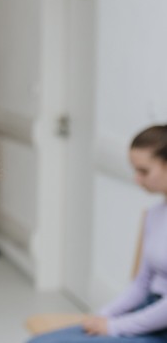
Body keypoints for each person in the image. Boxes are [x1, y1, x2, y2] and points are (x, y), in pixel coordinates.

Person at [28, 125, 167, 342]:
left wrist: (114, 326)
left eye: (144, 171)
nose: (136, 179)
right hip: (147, 312)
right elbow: (141, 284)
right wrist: (103, 316)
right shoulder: (155, 215)